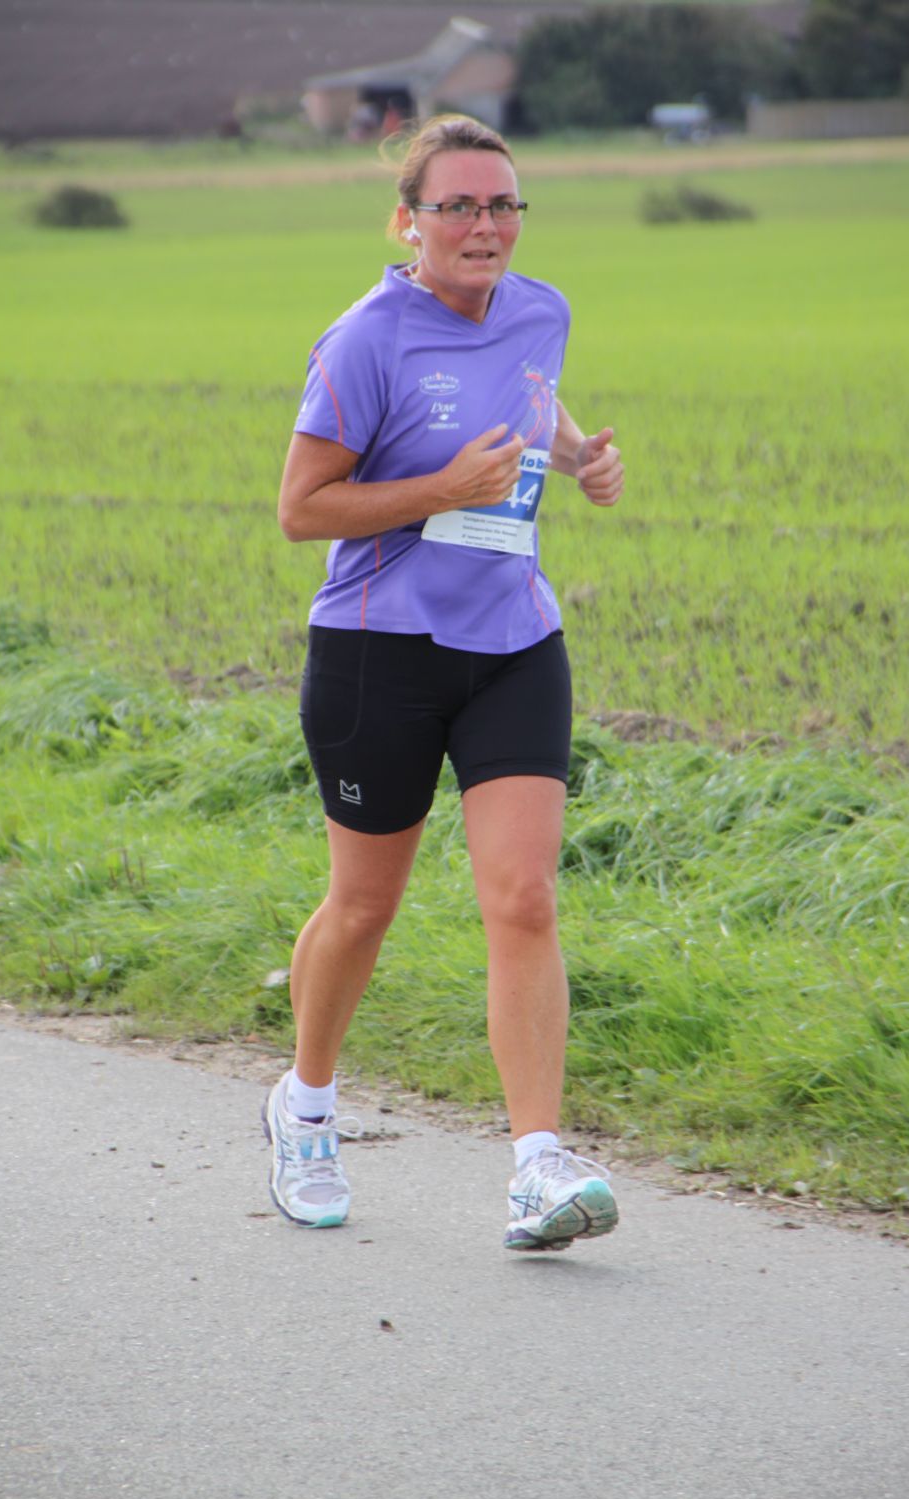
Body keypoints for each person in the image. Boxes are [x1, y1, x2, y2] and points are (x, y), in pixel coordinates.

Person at [264, 115, 625, 1252]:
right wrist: (437, 491)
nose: (485, 225)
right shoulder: (364, 341)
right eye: (459, 205)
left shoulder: (541, 309)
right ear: (407, 221)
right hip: (381, 651)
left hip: (513, 642)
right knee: (364, 906)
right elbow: (301, 510)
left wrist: (575, 455)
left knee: (523, 897)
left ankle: (537, 1166)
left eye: (503, 204)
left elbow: (527, 394)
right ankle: (304, 1108)